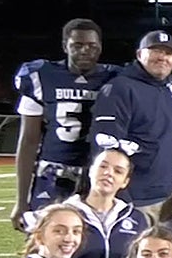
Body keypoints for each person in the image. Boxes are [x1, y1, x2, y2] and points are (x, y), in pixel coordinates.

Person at [10, 18, 119, 230]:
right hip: (53, 174)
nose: (85, 51)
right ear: (64, 46)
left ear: (100, 48)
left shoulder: (116, 77)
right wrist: (21, 200)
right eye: (77, 45)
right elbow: (29, 140)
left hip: (95, 174)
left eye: (92, 46)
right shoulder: (42, 76)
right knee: (46, 241)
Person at [90, 30, 172, 220]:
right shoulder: (120, 88)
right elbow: (106, 149)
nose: (162, 57)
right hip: (134, 199)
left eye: (168, 53)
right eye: (155, 51)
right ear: (139, 54)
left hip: (168, 195)